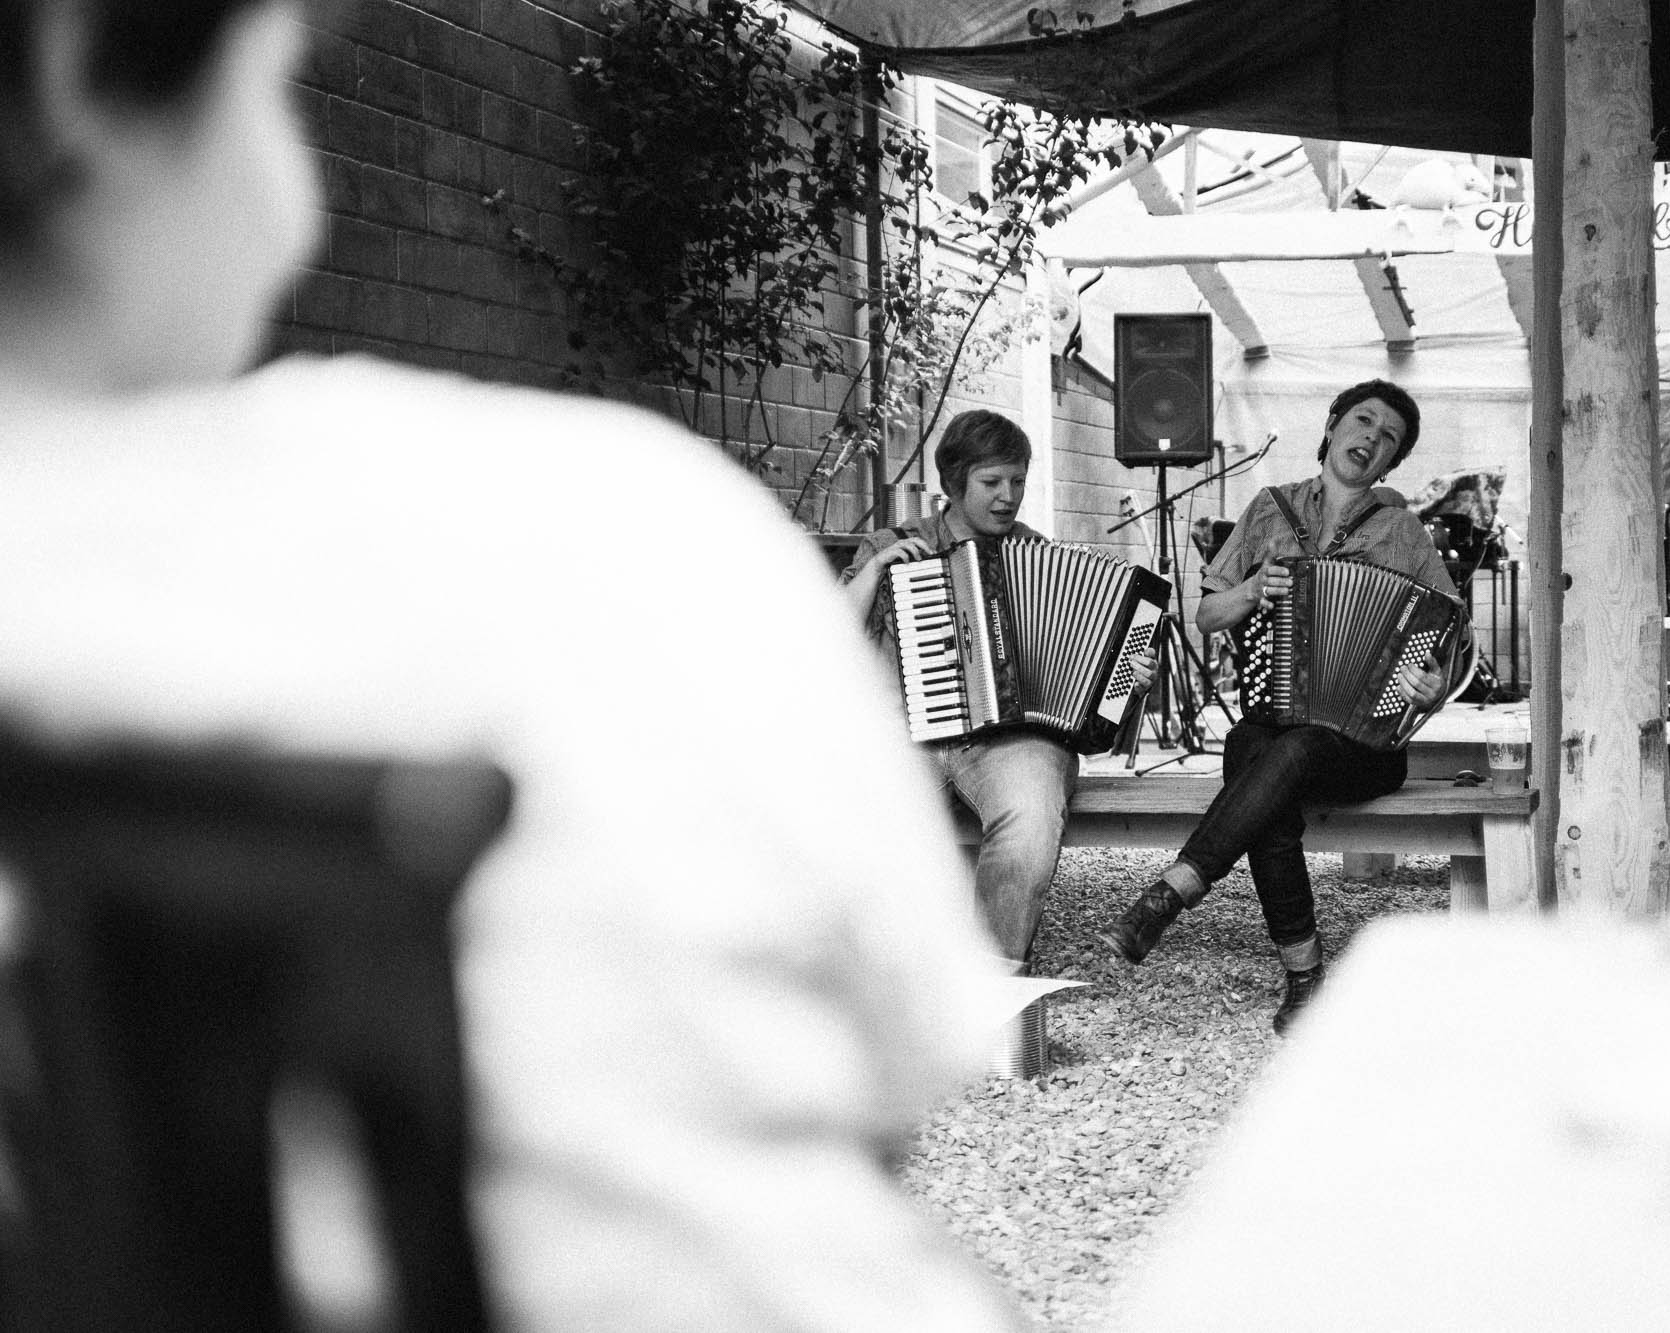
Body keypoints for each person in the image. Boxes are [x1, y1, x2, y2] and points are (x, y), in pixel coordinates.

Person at [0, 2, 1024, 1329]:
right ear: (80, 69)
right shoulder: (594, 532)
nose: (298, 200)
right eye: (276, 88)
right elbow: (905, 1063)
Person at [1098, 380, 1456, 1034]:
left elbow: (1448, 636)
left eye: (1389, 438)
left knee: (1284, 751)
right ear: (1333, 424)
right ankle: (1304, 975)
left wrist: (1431, 685)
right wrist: (1254, 588)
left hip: (1366, 745)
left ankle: (1175, 890)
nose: (1371, 438)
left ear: (1391, 462)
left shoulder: (1402, 532)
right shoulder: (1270, 510)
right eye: (1363, 420)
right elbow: (1207, 615)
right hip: (1276, 722)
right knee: (1250, 748)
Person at [842, 409, 1154, 972]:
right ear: (953, 483)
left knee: (1030, 818)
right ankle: (872, 986)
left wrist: (1127, 682)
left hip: (1009, 741)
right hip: (904, 738)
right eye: (991, 482)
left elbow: (1085, 685)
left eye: (1017, 481)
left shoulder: (1041, 556)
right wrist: (875, 570)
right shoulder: (894, 545)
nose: (1008, 497)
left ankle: (993, 983)